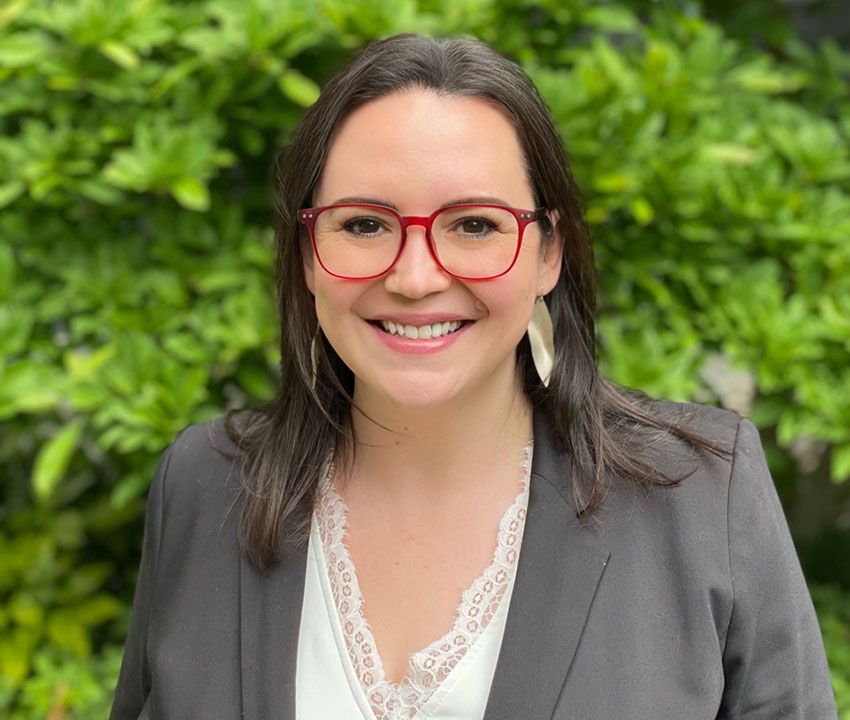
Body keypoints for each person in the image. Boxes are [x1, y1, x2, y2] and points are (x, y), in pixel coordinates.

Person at [108, 33, 837, 720]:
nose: (416, 277)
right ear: (306, 255)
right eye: (364, 224)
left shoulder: (702, 494)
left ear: (548, 253)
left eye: (475, 225)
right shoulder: (206, 484)